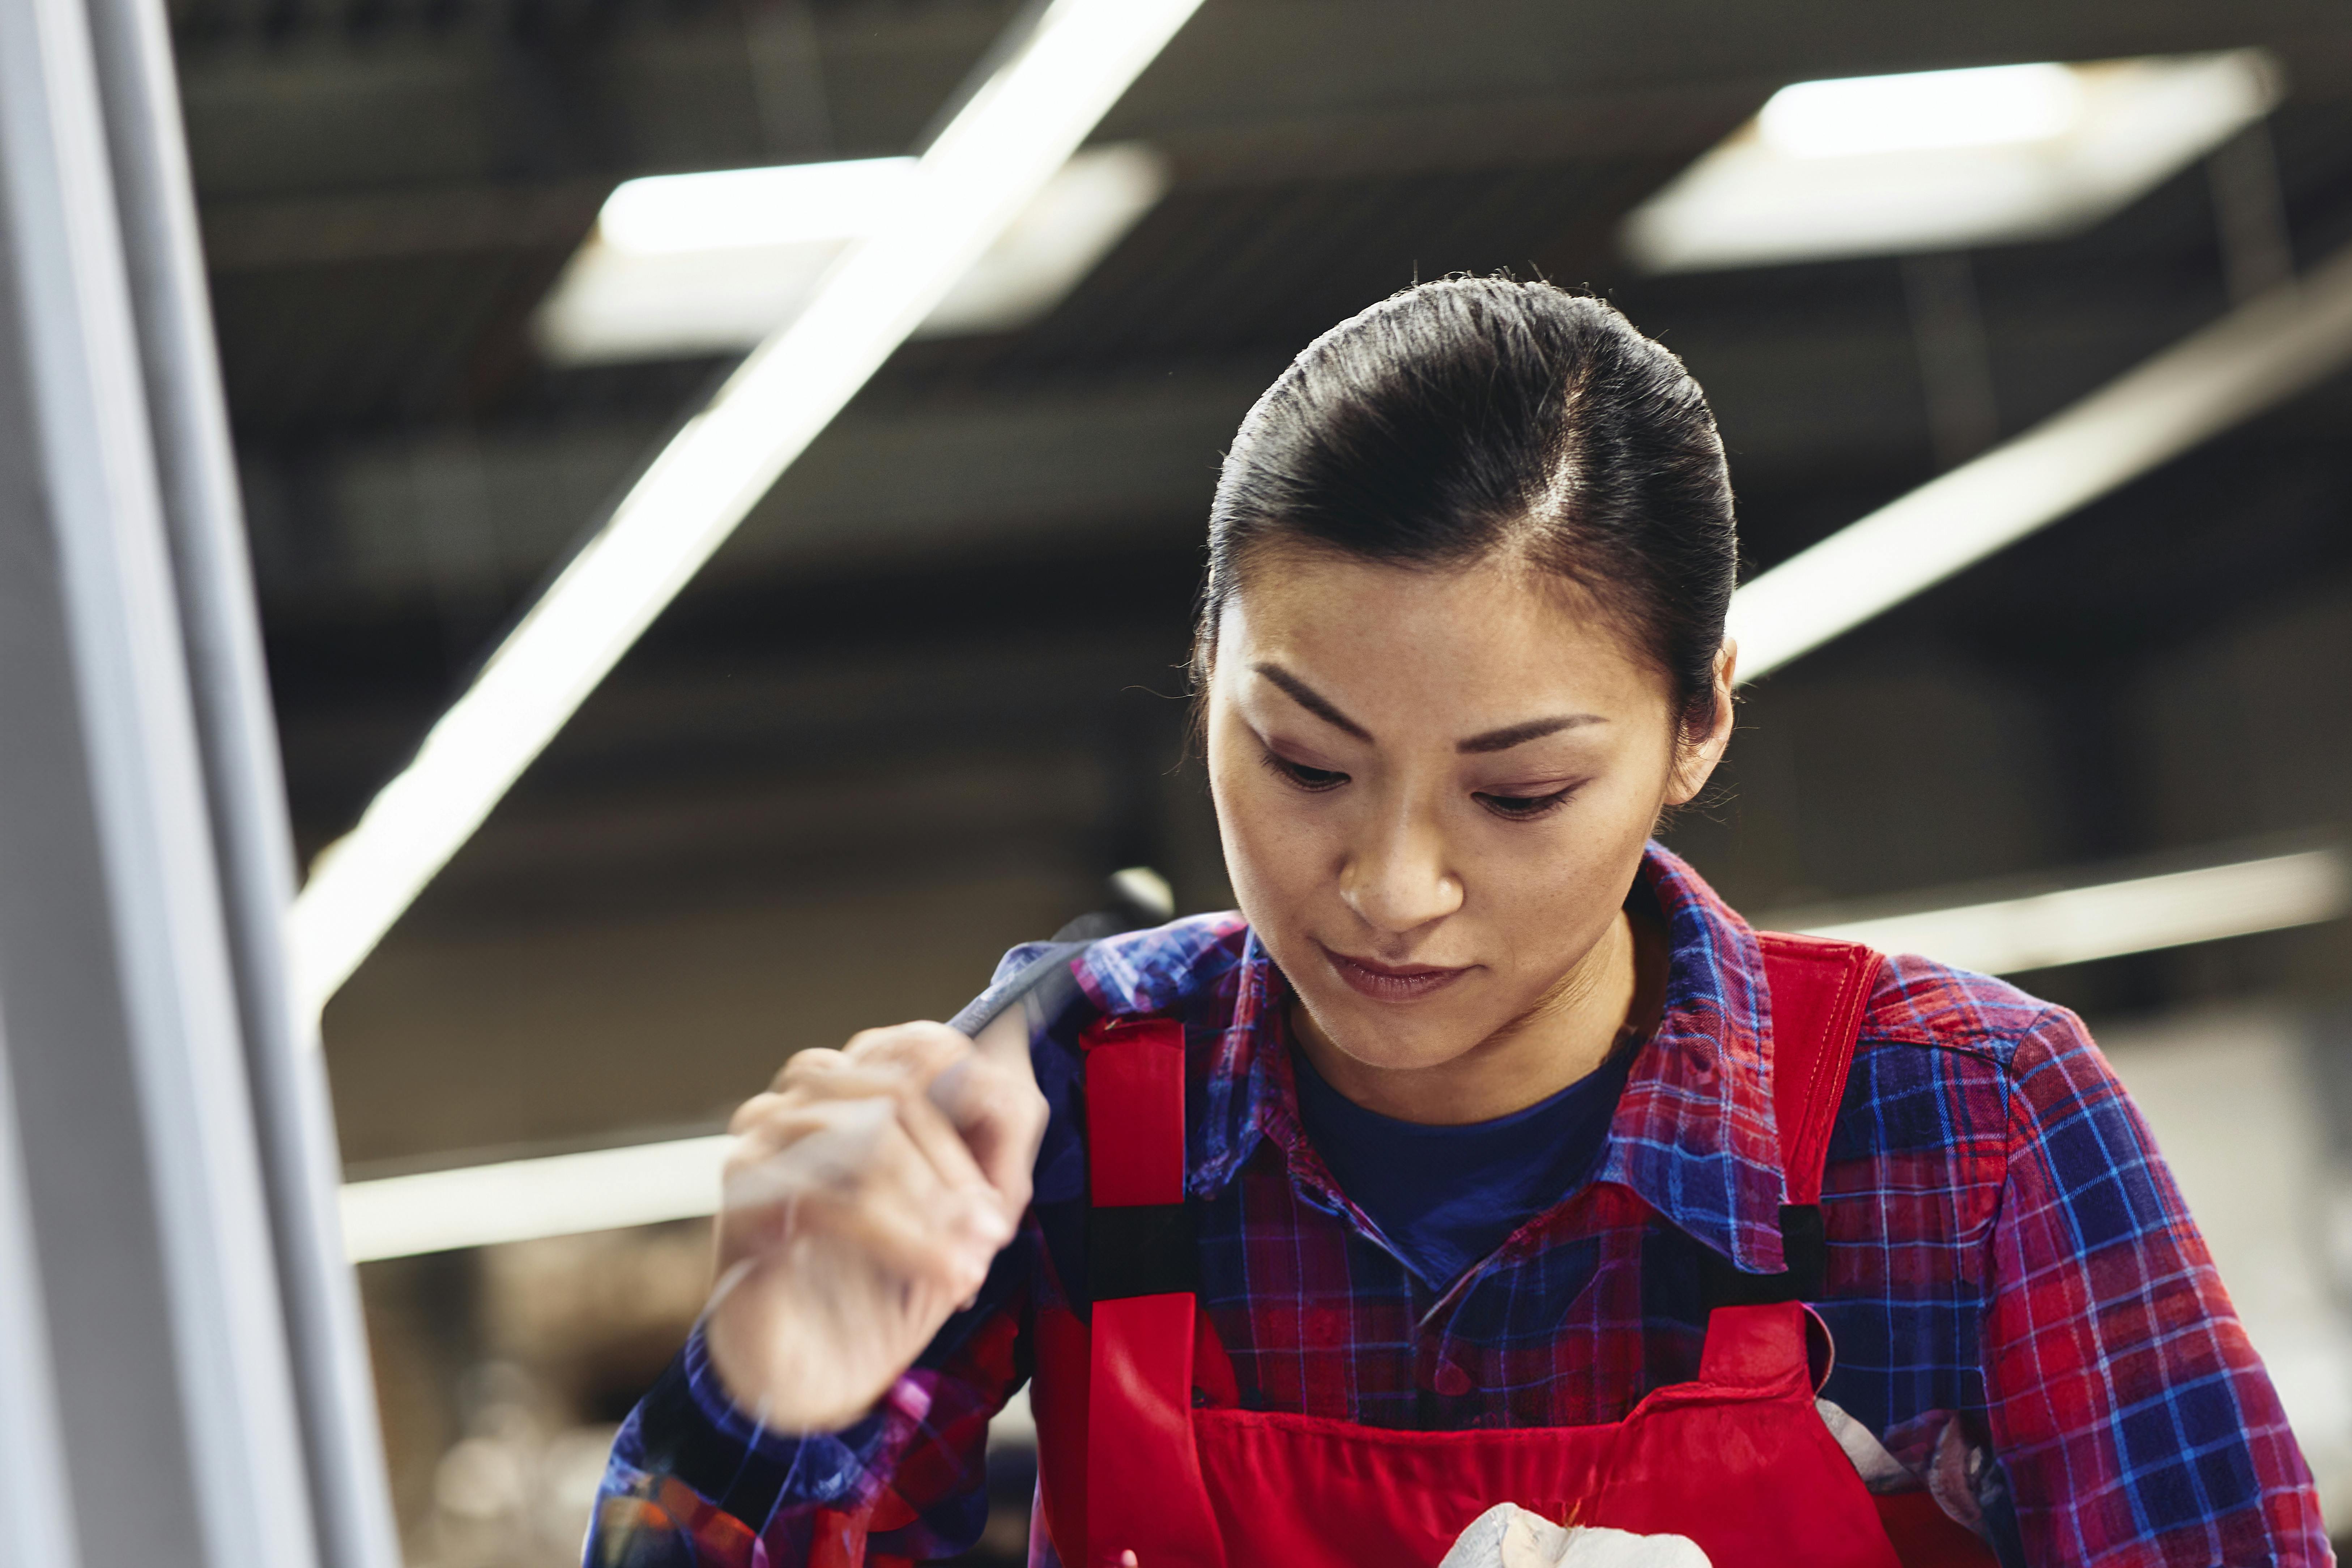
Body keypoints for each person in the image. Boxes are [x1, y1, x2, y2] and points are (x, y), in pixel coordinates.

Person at [584, 278, 2325, 1568]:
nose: (1389, 887)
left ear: (1699, 723)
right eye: (1302, 761)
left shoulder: (1962, 1128)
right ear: (1208, 680)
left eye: (1518, 795)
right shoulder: (1069, 1108)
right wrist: (760, 1395)